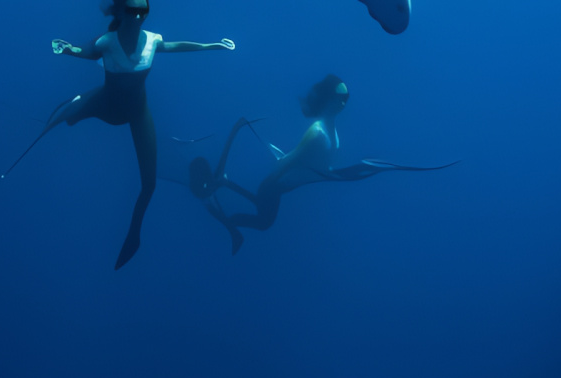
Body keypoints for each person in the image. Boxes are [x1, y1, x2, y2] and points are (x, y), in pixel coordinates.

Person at [0, 0, 235, 269]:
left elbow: (176, 46)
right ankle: (12, 156)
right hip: (106, 103)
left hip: (136, 112)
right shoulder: (108, 42)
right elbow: (87, 53)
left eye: (144, 11)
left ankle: (134, 236)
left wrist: (212, 46)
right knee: (55, 121)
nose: (139, 17)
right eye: (132, 11)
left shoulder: (153, 40)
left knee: (150, 183)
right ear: (120, 12)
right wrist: (68, 50)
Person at [190, 74, 450, 253]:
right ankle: (222, 210)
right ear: (329, 99)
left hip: (285, 185)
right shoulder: (318, 132)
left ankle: (224, 184)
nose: (344, 101)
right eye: (340, 96)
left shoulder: (329, 130)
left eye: (346, 97)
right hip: (275, 185)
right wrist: (275, 179)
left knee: (263, 215)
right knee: (265, 221)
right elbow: (286, 163)